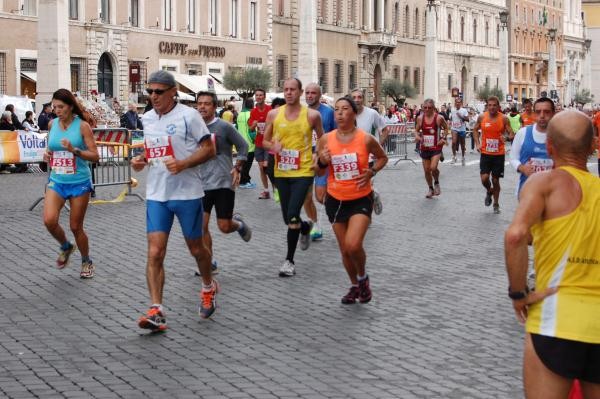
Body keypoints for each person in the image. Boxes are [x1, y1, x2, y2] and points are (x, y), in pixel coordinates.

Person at [504, 110, 600, 399]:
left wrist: (518, 293)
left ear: (549, 147)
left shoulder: (544, 183)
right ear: (593, 146)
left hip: (557, 317)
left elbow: (516, 235)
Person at [131, 70, 217, 332]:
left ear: (173, 92)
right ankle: (157, 310)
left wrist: (183, 163)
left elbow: (209, 149)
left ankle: (208, 286)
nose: (153, 96)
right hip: (157, 195)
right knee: (155, 252)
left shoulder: (189, 116)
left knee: (197, 250)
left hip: (187, 194)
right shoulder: (146, 118)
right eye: (150, 91)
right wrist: (141, 160)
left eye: (158, 91)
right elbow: (152, 149)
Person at [316, 96, 388, 303]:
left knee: (353, 245)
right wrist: (322, 160)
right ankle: (355, 286)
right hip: (336, 200)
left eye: (344, 109)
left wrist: (371, 171)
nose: (339, 113)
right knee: (345, 251)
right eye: (336, 109)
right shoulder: (326, 140)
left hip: (360, 197)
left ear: (354, 113)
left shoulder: (365, 139)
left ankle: (363, 277)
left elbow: (383, 158)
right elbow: (317, 170)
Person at [262, 78, 324, 277]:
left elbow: (323, 139)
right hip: (281, 171)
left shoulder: (312, 115)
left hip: (304, 171)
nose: (288, 93)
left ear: (300, 92)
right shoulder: (273, 114)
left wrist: (317, 156)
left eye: (292, 89)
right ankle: (305, 227)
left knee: (293, 213)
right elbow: (263, 141)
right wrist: (273, 147)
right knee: (289, 218)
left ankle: (289, 261)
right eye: (285, 89)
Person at [42, 88, 99, 278]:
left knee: (76, 226)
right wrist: (47, 153)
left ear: (70, 107)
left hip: (79, 181)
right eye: (54, 106)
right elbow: (51, 147)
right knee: (49, 220)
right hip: (57, 180)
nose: (57, 110)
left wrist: (75, 150)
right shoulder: (52, 124)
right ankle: (66, 246)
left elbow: (95, 156)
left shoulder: (82, 126)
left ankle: (86, 261)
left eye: (61, 107)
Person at [196, 91, 252, 274]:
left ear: (214, 107)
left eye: (207, 103)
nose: (202, 107)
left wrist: (238, 167)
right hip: (200, 183)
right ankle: (209, 262)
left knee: (224, 226)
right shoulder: (193, 127)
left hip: (223, 182)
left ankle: (238, 224)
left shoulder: (224, 127)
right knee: (201, 226)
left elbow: (243, 145)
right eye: (200, 103)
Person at [303, 82, 336, 241]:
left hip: (323, 159)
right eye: (307, 93)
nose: (310, 95)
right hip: (305, 160)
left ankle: (343, 207)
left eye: (313, 93)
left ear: (319, 95)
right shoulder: (301, 113)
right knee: (306, 197)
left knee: (320, 197)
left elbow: (337, 133)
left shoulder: (328, 112)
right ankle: (315, 226)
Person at [473, 96, 514, 213]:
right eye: (489, 105)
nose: (491, 107)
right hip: (485, 153)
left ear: (498, 107)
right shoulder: (482, 117)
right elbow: (475, 130)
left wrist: (506, 137)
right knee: (484, 179)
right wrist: (477, 143)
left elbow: (511, 134)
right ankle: (489, 190)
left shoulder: (504, 118)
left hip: (498, 154)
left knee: (496, 180)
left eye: (494, 105)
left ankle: (496, 204)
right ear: (487, 106)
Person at [350, 88, 387, 215]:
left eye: (359, 97)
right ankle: (373, 195)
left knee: (365, 183)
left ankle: (364, 215)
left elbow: (385, 130)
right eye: (354, 97)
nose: (357, 100)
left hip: (369, 157)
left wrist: (378, 147)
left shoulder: (372, 113)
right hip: (352, 157)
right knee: (356, 185)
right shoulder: (348, 113)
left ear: (363, 99)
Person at [510, 97, 556, 197]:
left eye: (546, 112)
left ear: (553, 113)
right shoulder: (522, 133)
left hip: (552, 192)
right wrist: (523, 168)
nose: (542, 116)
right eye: (538, 112)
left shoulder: (560, 136)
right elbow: (513, 158)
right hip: (527, 191)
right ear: (534, 114)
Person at [415, 99, 449, 198]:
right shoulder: (420, 118)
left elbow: (446, 128)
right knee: (426, 170)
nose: (427, 109)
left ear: (433, 108)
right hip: (425, 147)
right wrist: (416, 136)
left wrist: (443, 138)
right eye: (425, 107)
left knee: (433, 167)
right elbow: (416, 130)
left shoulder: (439, 118)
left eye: (429, 108)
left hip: (436, 147)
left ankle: (437, 183)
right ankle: (430, 188)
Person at [248, 89, 272, 199]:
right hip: (259, 143)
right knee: (262, 168)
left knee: (268, 167)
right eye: (257, 95)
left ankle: (276, 189)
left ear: (264, 96)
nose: (259, 97)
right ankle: (266, 191)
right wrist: (253, 125)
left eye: (261, 95)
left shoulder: (270, 110)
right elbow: (251, 129)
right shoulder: (253, 111)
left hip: (269, 143)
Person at [236, 98, 257, 188]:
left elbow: (236, 128)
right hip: (249, 144)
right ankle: (243, 182)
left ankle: (246, 180)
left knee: (243, 163)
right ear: (252, 104)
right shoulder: (251, 114)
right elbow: (251, 130)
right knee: (247, 164)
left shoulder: (239, 115)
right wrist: (254, 139)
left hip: (240, 143)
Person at [449, 97, 469, 165]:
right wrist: (450, 123)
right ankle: (454, 157)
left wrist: (461, 116)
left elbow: (467, 119)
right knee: (454, 142)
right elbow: (451, 118)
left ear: (461, 103)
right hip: (454, 128)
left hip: (462, 129)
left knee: (462, 145)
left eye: (459, 102)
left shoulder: (464, 110)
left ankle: (463, 157)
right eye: (456, 102)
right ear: (455, 103)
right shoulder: (452, 109)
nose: (457, 103)